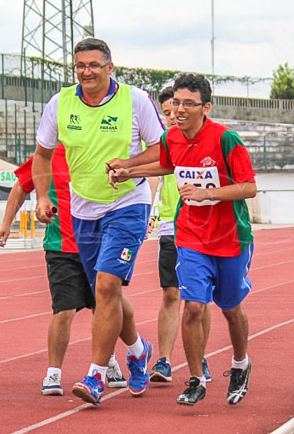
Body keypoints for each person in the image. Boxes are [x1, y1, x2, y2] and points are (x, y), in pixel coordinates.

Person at [109, 73, 257, 407]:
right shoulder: (172, 137)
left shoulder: (226, 139)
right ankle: (196, 378)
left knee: (231, 309)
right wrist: (127, 169)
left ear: (205, 107)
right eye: (176, 102)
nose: (180, 109)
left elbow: (249, 187)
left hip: (230, 237)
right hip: (189, 235)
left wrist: (210, 193)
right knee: (192, 307)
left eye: (189, 104)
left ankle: (240, 363)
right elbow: (163, 164)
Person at [32, 37, 163, 406]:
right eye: (80, 66)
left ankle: (96, 375)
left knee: (105, 287)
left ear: (110, 67)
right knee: (110, 293)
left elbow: (161, 149)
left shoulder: (135, 101)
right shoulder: (60, 103)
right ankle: (138, 350)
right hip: (82, 209)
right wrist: (42, 197)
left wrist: (129, 167)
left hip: (128, 203)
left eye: (93, 65)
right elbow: (41, 156)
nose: (86, 71)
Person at [0, 144, 128, 395]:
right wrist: (5, 224)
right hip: (61, 247)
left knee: (104, 309)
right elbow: (21, 186)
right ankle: (53, 373)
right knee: (64, 310)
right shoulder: (47, 157)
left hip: (98, 246)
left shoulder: (100, 151)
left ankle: (107, 362)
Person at [148, 86, 212, 386]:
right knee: (171, 293)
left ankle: (199, 358)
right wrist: (147, 213)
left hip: (202, 227)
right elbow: (153, 176)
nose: (174, 115)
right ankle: (164, 360)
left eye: (179, 109)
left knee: (200, 298)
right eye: (168, 111)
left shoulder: (206, 141)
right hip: (169, 227)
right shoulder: (166, 143)